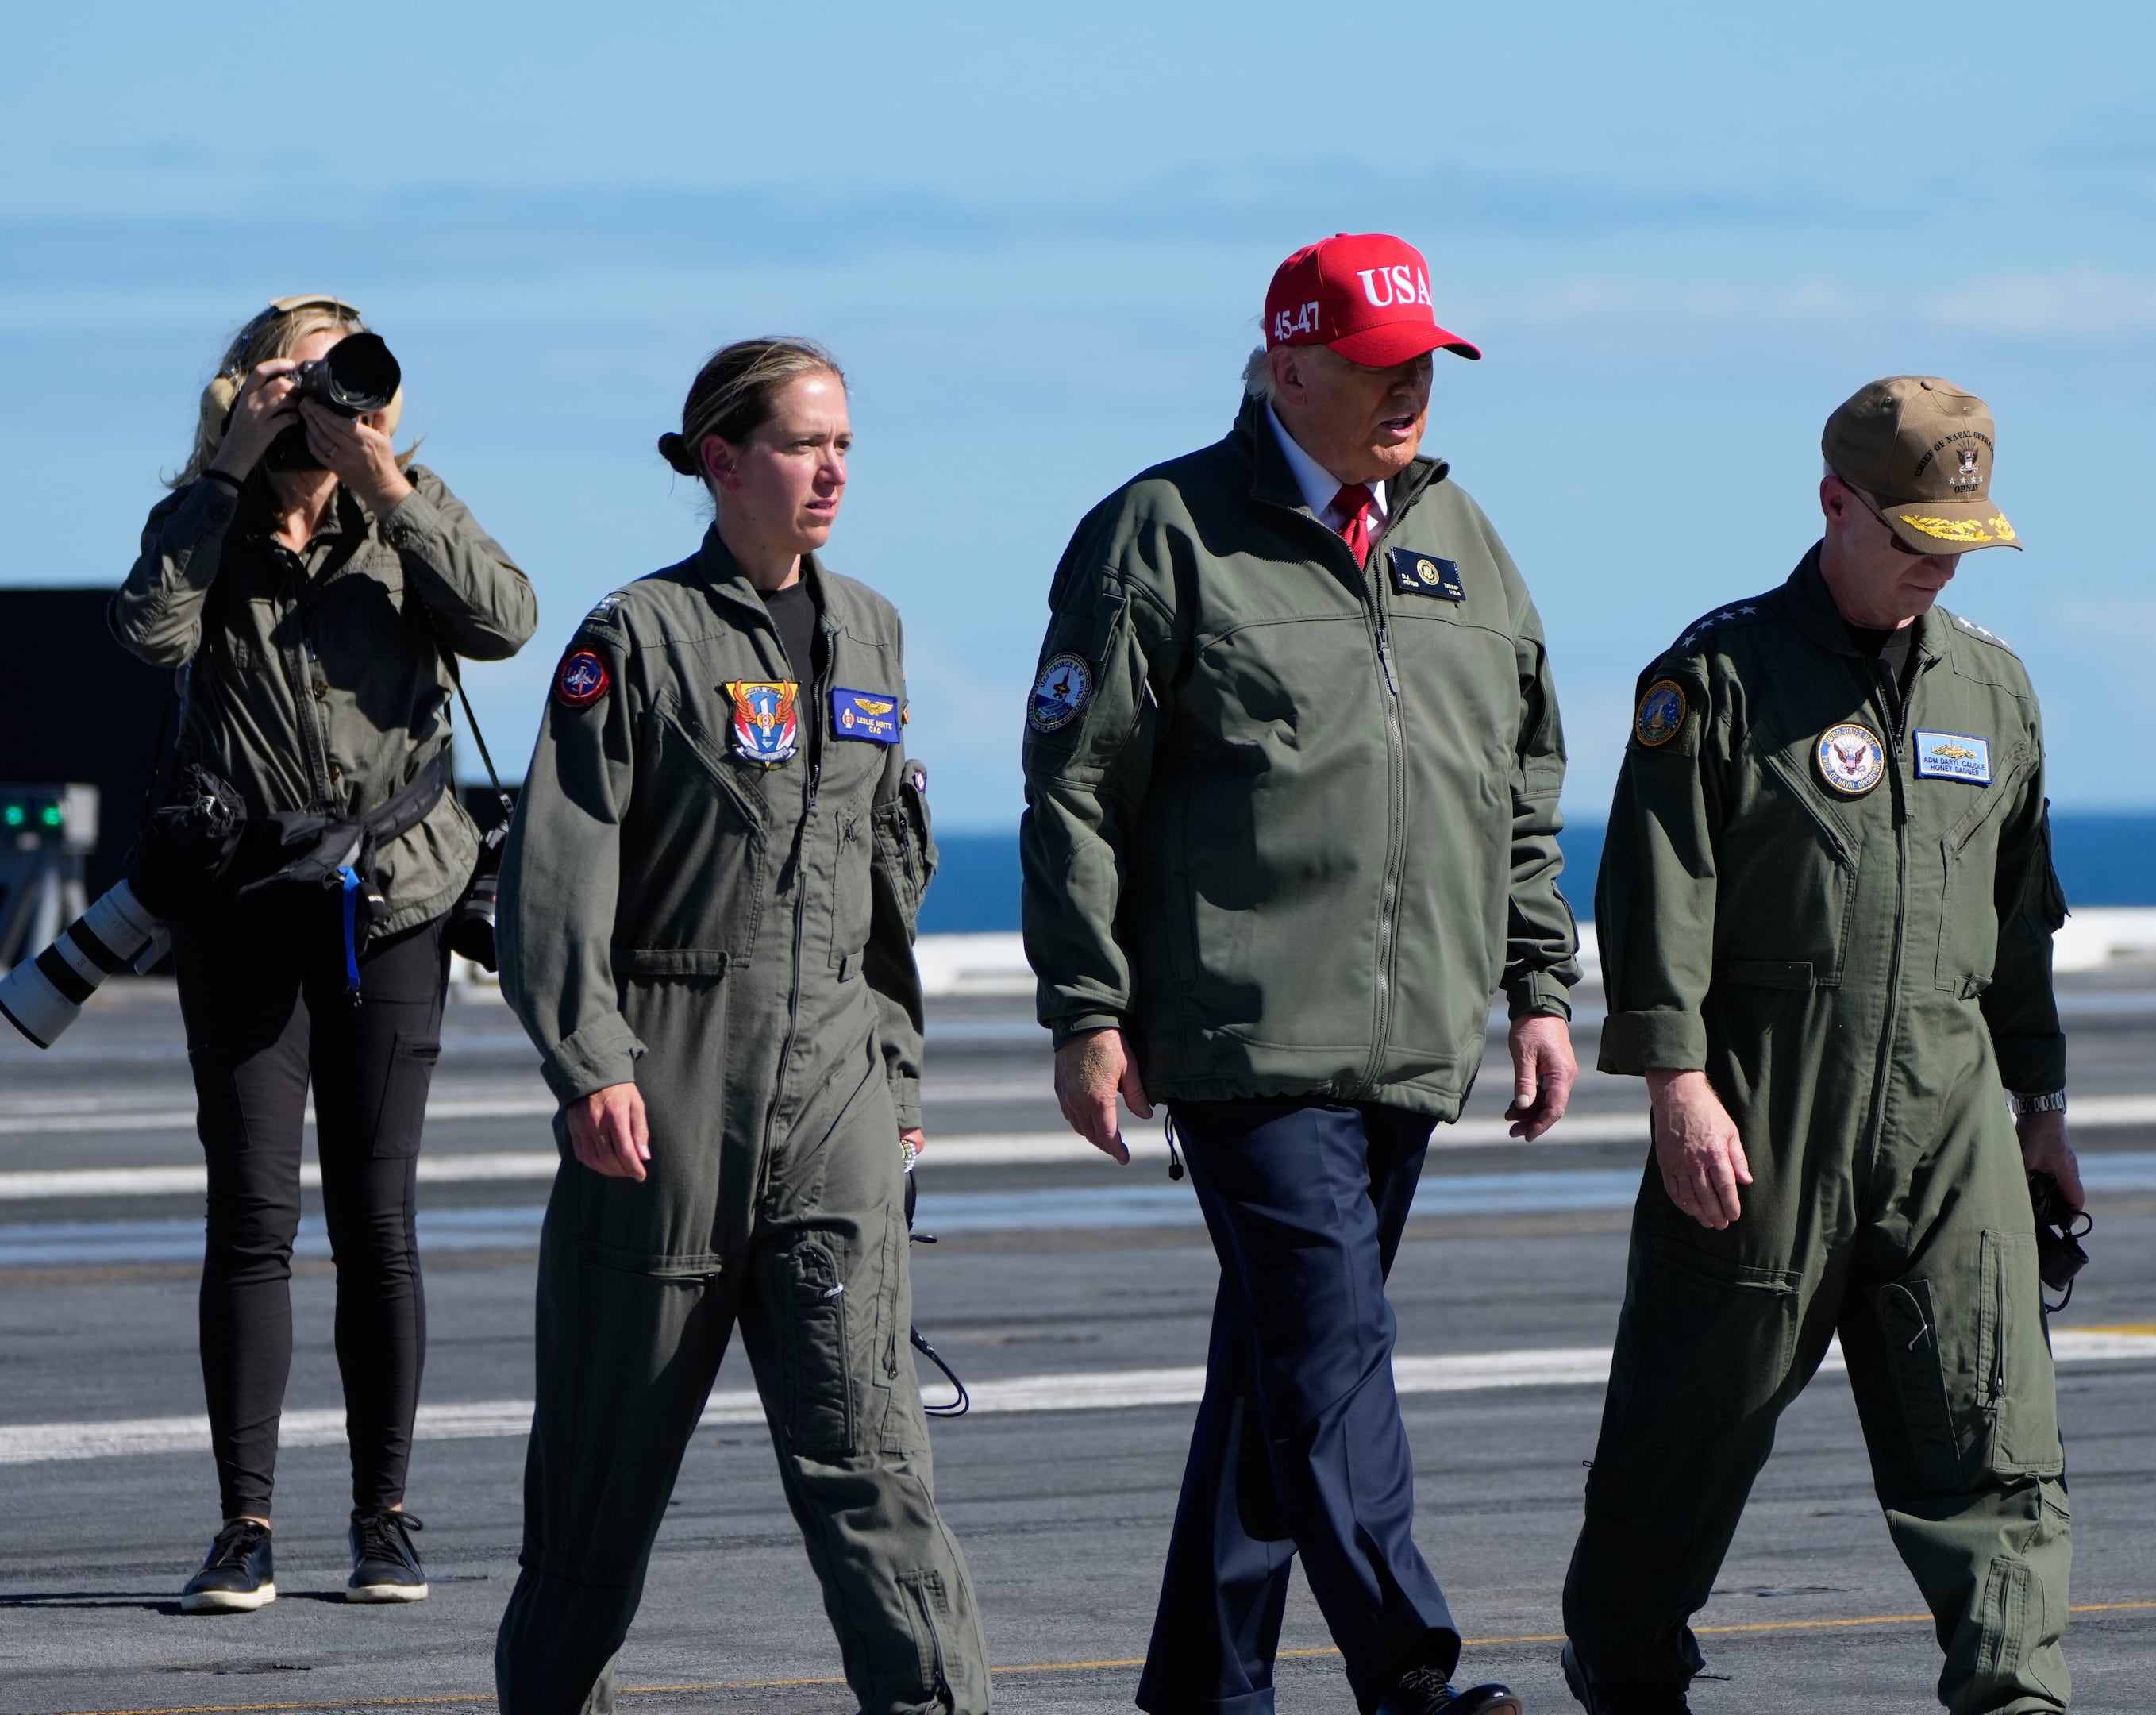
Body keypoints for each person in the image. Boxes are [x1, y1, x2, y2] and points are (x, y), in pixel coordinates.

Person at [1021, 232, 1580, 1715]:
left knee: (1280, 1366)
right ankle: (1411, 1669)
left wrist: (1537, 984)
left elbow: (1520, 775)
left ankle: (1203, 1685)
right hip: (1241, 1024)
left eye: (1424, 365)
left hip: (1413, 1029)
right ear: (1287, 363)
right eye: (1375, 365)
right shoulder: (1164, 530)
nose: (1409, 392)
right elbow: (1077, 790)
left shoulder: (1460, 533)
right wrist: (1088, 1009)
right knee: (1335, 1347)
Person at [1559, 377, 2080, 1715]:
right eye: (1910, 536)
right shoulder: (1716, 679)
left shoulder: (1997, 691)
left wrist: (2043, 1108)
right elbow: (1654, 893)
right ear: (1834, 504)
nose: (1934, 566)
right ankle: (1623, 1667)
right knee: (1687, 1433)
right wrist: (1678, 1088)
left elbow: (2020, 922)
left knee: (1994, 1434)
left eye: (1956, 542)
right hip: (1766, 1115)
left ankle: (2015, 1693)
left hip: (1952, 1123)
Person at [491, 337, 986, 1712]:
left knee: (877, 1476)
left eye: (844, 446)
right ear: (721, 461)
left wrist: (895, 1073)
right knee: (595, 1505)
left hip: (835, 1103)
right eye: (800, 444)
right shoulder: (633, 640)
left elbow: (884, 882)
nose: (831, 471)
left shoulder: (872, 631)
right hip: (667, 1103)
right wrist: (590, 1062)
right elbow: (557, 870)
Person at [111, 294, 537, 1613]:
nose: (328, 394)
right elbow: (147, 634)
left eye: (346, 370)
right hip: (241, 900)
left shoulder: (403, 509)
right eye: (302, 370)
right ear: (249, 383)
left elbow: (508, 620)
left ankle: (384, 1517)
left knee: (378, 1216)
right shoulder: (207, 515)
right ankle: (244, 1525)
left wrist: (386, 482)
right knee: (250, 1217)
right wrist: (235, 465)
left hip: (392, 898)